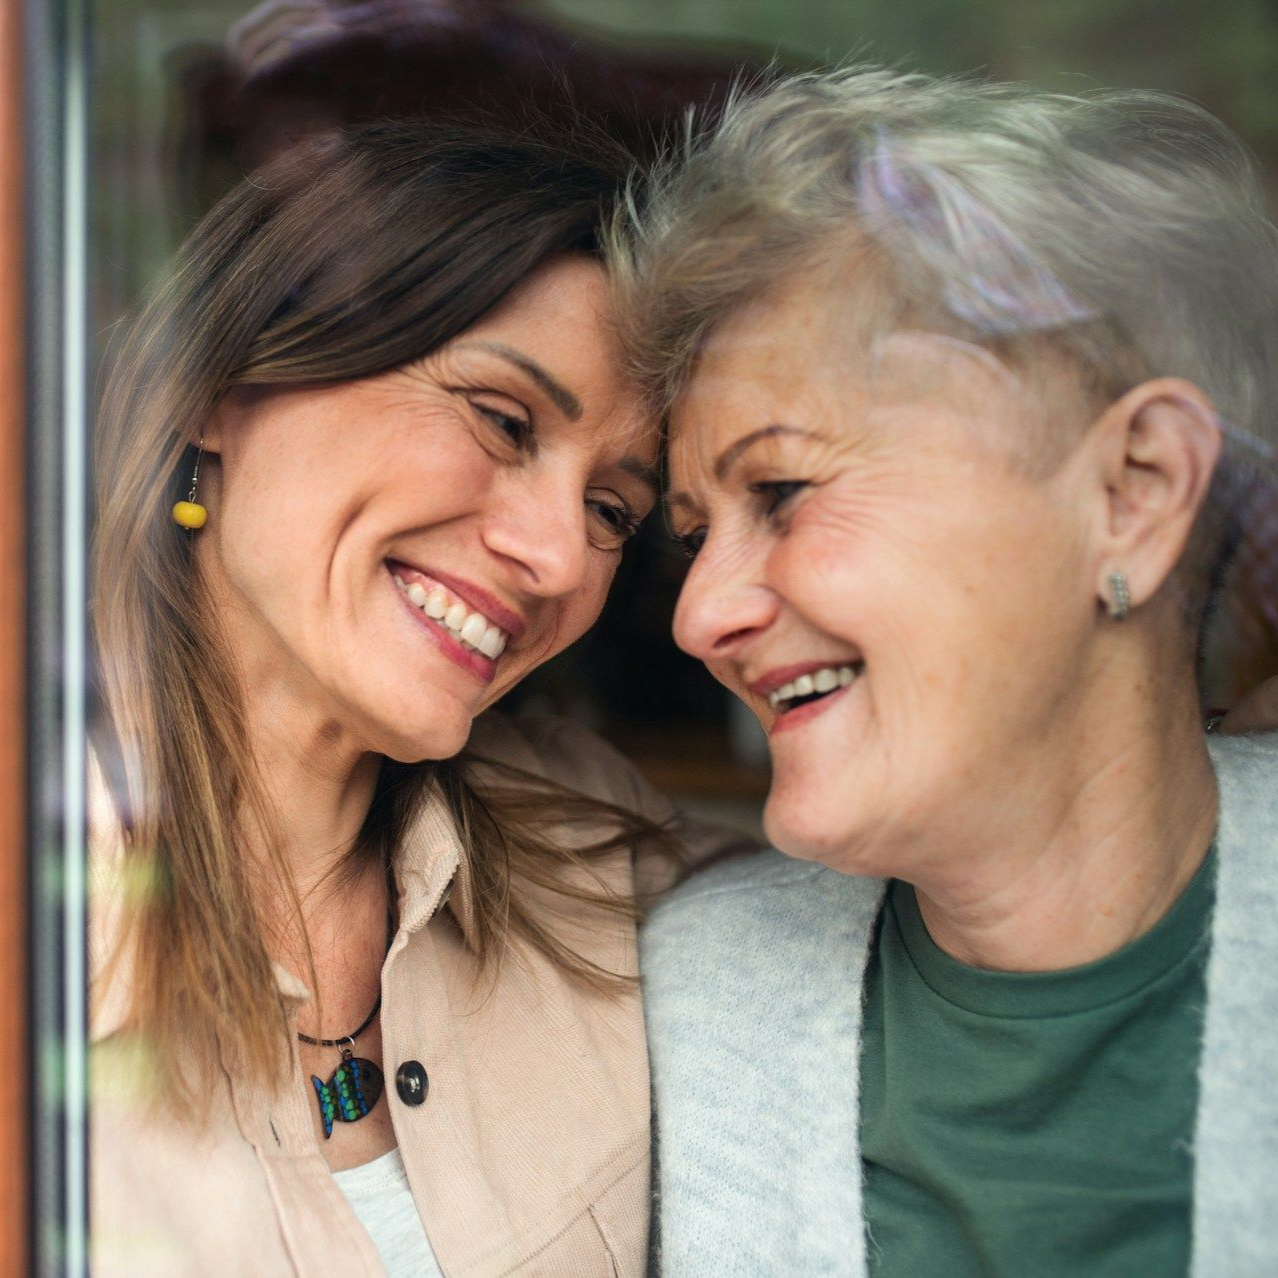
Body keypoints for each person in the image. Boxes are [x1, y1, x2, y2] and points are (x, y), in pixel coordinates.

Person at [614, 69, 1278, 1274]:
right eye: (695, 530)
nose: (701, 614)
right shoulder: (693, 1005)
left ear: (1132, 494)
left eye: (783, 489)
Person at [89, 120, 750, 1277]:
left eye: (611, 512)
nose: (555, 555)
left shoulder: (596, 846)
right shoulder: (46, 913)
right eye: (501, 420)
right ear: (220, 387)